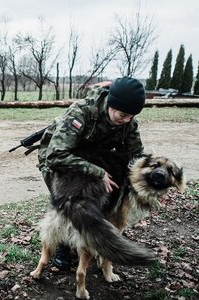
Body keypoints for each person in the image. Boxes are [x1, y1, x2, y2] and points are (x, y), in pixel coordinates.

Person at [37, 76, 146, 270]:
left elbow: (135, 155)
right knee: (69, 200)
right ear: (112, 104)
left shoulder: (128, 121)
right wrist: (97, 172)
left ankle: (92, 239)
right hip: (58, 160)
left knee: (100, 197)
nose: (127, 120)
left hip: (93, 157)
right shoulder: (82, 112)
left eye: (131, 116)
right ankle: (63, 244)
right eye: (123, 115)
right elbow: (57, 155)